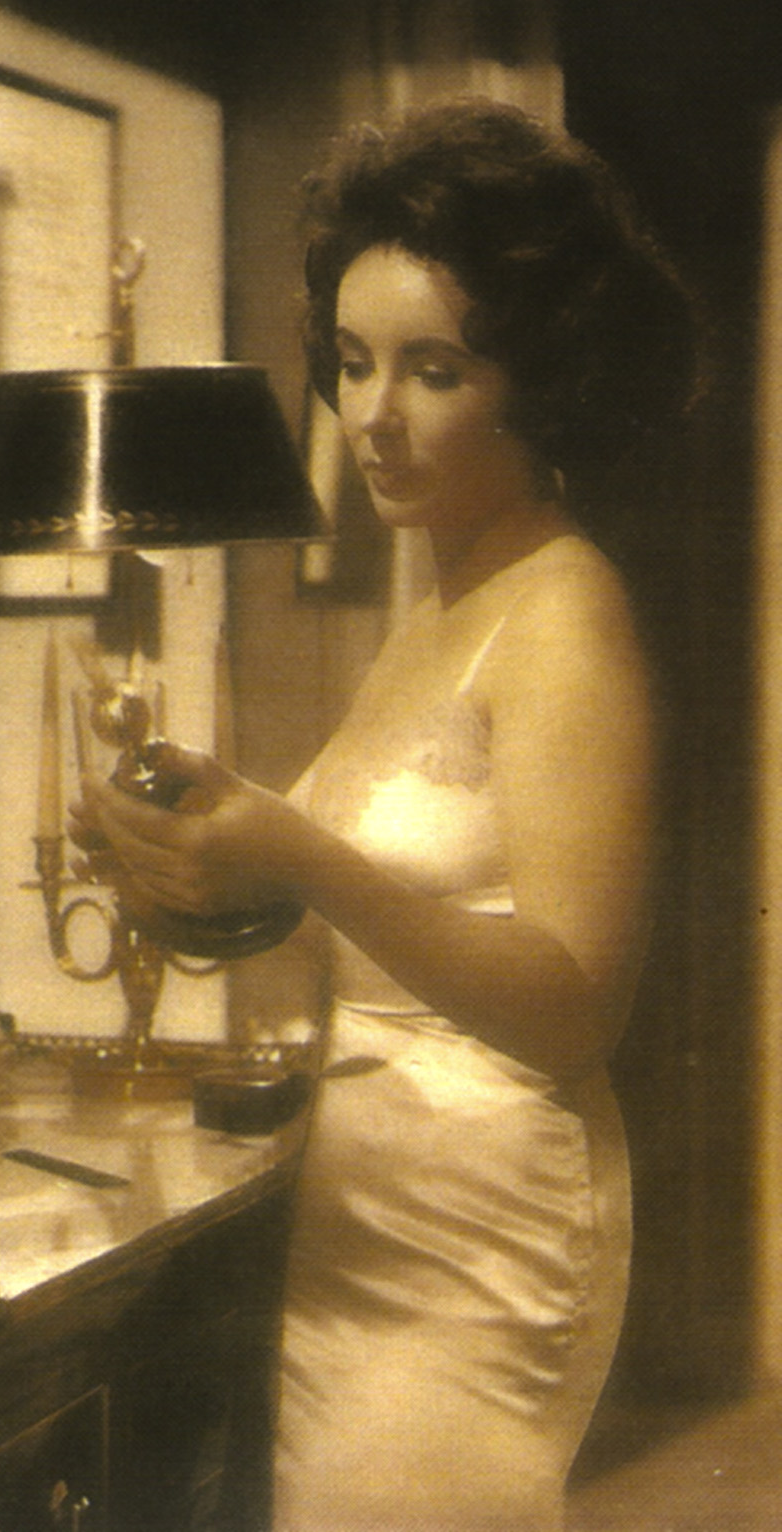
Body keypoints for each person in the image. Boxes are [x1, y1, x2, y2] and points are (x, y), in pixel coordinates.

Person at [69, 98, 696, 1532]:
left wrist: (297, 851)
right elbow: (370, 931)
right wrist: (192, 867)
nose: (372, 417)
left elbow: (575, 1008)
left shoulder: (565, 615)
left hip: (477, 1229)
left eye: (434, 370)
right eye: (352, 364)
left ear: (541, 382)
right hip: (365, 1210)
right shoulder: (441, 607)